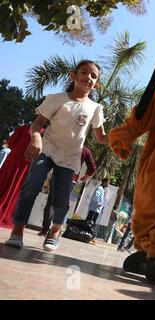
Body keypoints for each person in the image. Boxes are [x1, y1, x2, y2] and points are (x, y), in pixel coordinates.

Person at [4, 60, 108, 252]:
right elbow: (37, 124)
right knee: (31, 185)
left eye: (94, 76)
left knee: (60, 199)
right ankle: (17, 230)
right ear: (73, 76)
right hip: (47, 149)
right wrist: (36, 138)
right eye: (84, 72)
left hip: (70, 157)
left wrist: (120, 140)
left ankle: (55, 231)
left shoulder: (95, 108)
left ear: (97, 84)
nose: (89, 77)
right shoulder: (57, 99)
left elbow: (101, 138)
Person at [38, 145, 97, 237]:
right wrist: (87, 176)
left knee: (50, 203)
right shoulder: (86, 150)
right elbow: (92, 167)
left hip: (57, 175)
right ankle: (56, 230)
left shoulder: (67, 143)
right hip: (71, 179)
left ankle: (45, 230)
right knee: (63, 203)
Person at [0, 124, 44, 228]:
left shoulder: (26, 127)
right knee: (17, 189)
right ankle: (10, 216)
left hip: (13, 159)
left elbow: (10, 142)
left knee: (4, 182)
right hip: (28, 162)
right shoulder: (45, 133)